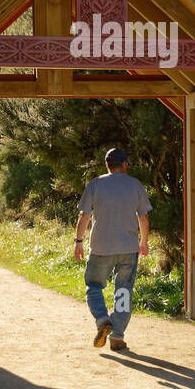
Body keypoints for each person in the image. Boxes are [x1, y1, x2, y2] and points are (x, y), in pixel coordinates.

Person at [74, 147, 151, 352]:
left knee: (93, 285)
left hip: (101, 247)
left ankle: (102, 320)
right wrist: (143, 242)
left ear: (107, 165)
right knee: (123, 290)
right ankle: (117, 336)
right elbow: (143, 217)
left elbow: (84, 216)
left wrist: (78, 241)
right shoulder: (135, 185)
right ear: (125, 164)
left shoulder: (96, 184)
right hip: (128, 248)